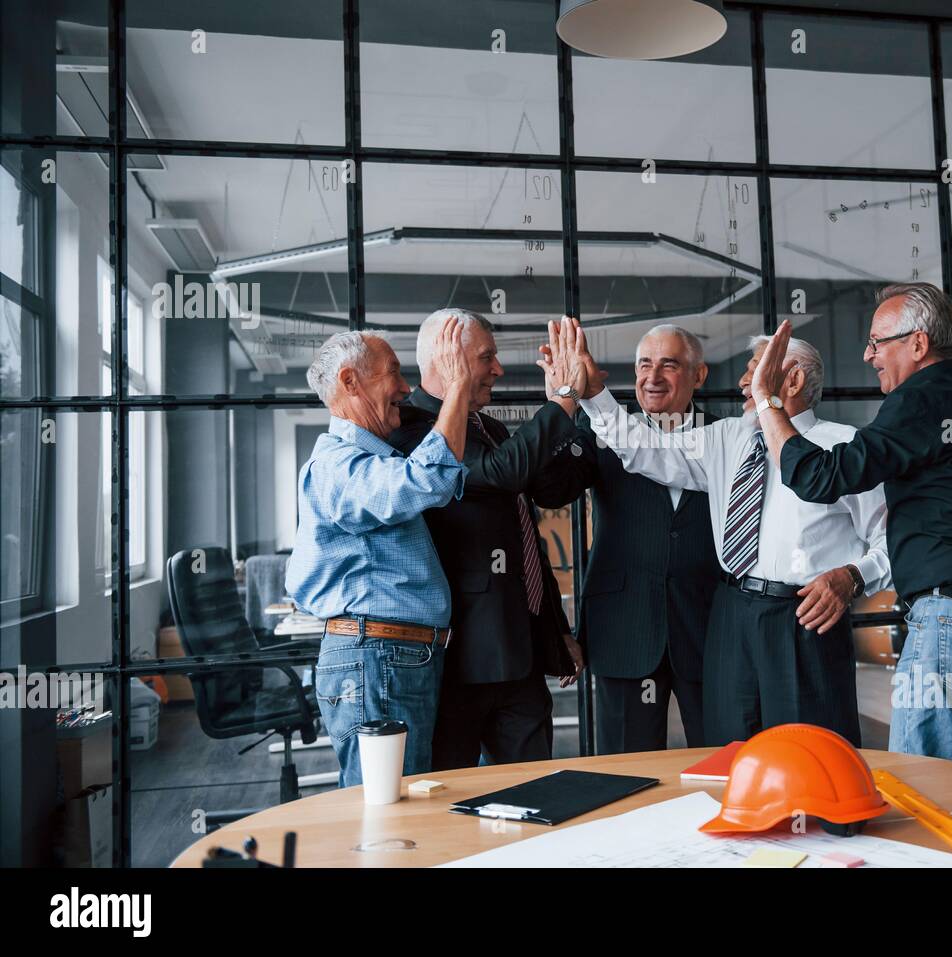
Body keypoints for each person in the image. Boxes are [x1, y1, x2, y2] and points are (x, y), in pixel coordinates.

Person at [750, 282, 952, 800]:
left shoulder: (917, 402)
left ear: (918, 344)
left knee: (924, 790)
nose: (868, 354)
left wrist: (767, 400)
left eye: (878, 341)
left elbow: (819, 477)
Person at [569, 317, 890, 747]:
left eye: (754, 368)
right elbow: (644, 448)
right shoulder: (728, 437)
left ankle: (813, 819)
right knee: (731, 745)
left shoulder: (844, 446)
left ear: (791, 380)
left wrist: (852, 577)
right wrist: (594, 396)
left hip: (803, 617)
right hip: (731, 615)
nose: (742, 381)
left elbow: (891, 538)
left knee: (808, 748)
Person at [388, 309, 592, 770]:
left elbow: (543, 504)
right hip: (457, 665)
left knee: (532, 795)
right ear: (450, 360)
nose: (497, 369)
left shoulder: (491, 428)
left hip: (518, 657)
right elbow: (504, 473)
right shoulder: (412, 429)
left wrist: (558, 629)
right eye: (487, 357)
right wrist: (561, 400)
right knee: (451, 811)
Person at [285, 319, 470, 786]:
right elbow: (425, 481)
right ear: (350, 381)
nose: (406, 388)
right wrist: (457, 389)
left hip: (391, 657)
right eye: (393, 371)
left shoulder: (367, 461)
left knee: (404, 805)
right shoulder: (337, 463)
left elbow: (436, 485)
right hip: (377, 657)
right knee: (389, 813)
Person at [575, 324, 721, 753]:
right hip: (625, 630)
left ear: (698, 376)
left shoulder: (727, 438)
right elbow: (548, 487)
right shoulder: (601, 435)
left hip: (708, 629)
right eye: (644, 364)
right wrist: (564, 400)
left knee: (724, 766)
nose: (652, 377)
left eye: (668, 365)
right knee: (626, 773)